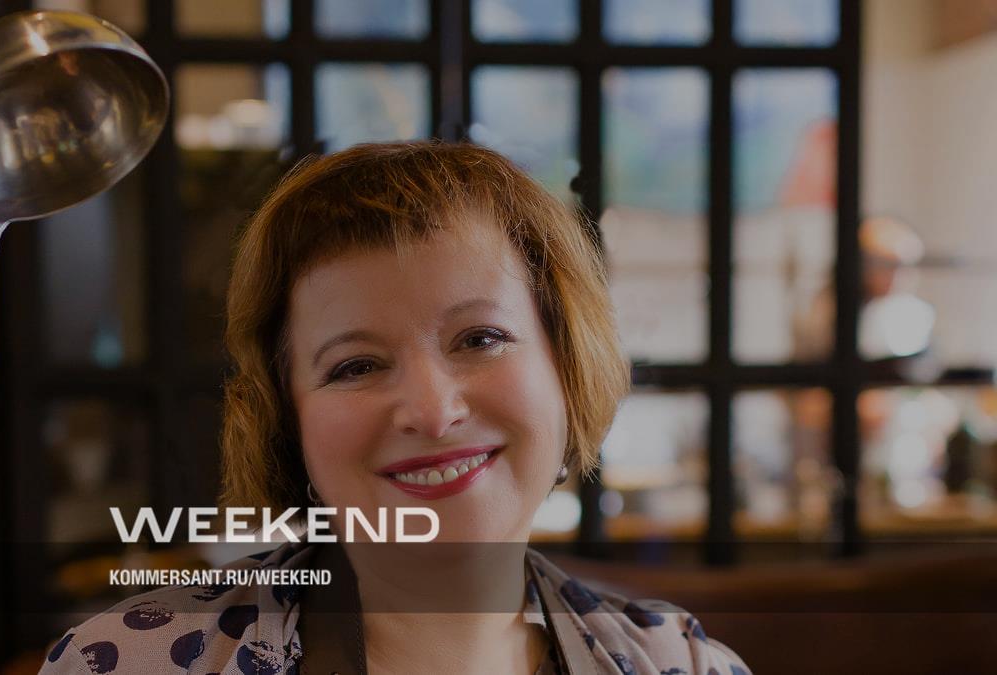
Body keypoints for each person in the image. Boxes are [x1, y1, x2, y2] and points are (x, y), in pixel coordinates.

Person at [37, 141, 752, 674]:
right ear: (287, 419)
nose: (433, 411)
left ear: (566, 365)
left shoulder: (679, 664)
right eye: (356, 366)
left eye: (480, 338)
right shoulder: (133, 663)